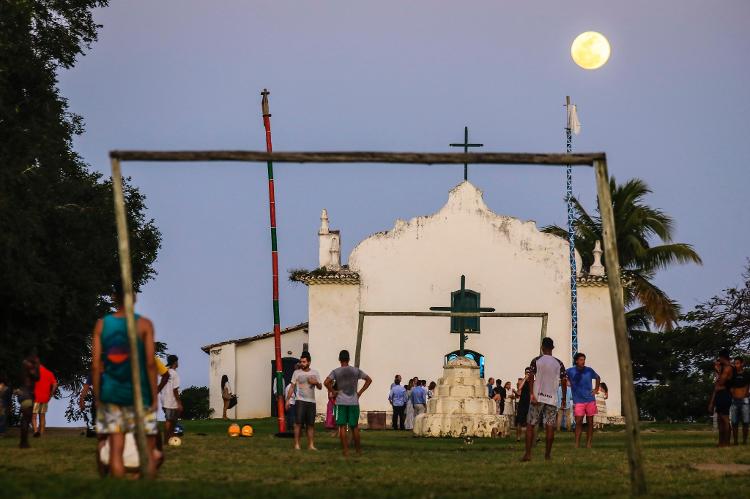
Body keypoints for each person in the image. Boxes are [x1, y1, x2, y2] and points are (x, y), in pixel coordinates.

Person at [92, 281, 160, 477]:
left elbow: (96, 365)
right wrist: (154, 397)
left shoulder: (102, 325)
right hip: (140, 395)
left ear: (114, 297)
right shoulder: (144, 325)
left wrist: (98, 396)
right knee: (147, 451)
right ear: (135, 298)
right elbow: (150, 364)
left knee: (115, 449)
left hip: (112, 394)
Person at [521, 337, 567, 462]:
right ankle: (547, 455)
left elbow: (531, 377)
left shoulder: (536, 360)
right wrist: (563, 397)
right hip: (552, 398)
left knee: (531, 425)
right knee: (550, 426)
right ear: (552, 348)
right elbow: (564, 380)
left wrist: (531, 394)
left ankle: (528, 454)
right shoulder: (559, 363)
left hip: (537, 397)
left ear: (542, 347)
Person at [324, 349, 372, 456]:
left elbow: (326, 382)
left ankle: (345, 451)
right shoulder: (355, 371)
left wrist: (333, 391)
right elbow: (369, 380)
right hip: (353, 402)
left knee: (341, 427)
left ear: (339, 359)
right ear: (349, 359)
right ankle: (358, 450)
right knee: (354, 427)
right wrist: (360, 393)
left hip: (340, 402)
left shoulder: (336, 371)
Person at [287, 351, 321, 450]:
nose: (302, 364)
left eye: (304, 362)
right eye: (301, 362)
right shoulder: (296, 373)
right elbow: (292, 387)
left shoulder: (315, 373)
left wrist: (315, 382)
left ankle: (311, 445)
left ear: (309, 362)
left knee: (310, 425)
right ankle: (297, 445)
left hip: (311, 402)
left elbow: (320, 387)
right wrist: (287, 400)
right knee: (298, 423)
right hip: (300, 401)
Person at [566, 352, 600, 447]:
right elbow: (562, 375)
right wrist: (567, 382)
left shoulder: (589, 370)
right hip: (578, 401)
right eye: (581, 360)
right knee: (578, 422)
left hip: (590, 400)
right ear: (576, 361)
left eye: (584, 359)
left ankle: (588, 443)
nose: (583, 361)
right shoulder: (570, 371)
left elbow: (598, 377)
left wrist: (596, 389)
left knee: (590, 422)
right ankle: (576, 443)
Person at [708, 349, 734, 447]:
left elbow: (721, 382)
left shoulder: (728, 368)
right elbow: (716, 385)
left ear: (723, 358)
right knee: (719, 419)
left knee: (725, 419)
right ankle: (721, 442)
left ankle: (726, 442)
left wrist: (718, 371)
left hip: (725, 394)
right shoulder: (723, 368)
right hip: (720, 394)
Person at [15, 351, 40, 449]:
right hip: (27, 395)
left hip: (22, 394)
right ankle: (23, 443)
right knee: (26, 418)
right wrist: (36, 365)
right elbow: (37, 378)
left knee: (25, 418)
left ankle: (23, 442)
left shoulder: (23, 369)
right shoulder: (30, 369)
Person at [32, 362, 58, 437]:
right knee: (42, 416)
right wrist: (51, 394)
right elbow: (55, 384)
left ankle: (35, 431)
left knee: (34, 416)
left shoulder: (34, 373)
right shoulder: (49, 373)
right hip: (45, 398)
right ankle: (41, 433)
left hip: (35, 397)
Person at [161, 355, 182, 444]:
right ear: (175, 362)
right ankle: (166, 440)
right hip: (171, 400)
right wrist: (179, 403)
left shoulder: (165, 372)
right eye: (177, 361)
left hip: (164, 399)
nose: (178, 363)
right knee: (170, 420)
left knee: (171, 420)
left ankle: (170, 437)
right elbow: (175, 390)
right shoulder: (174, 374)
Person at [729, 356, 749, 445]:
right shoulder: (732, 375)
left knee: (745, 422)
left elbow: (748, 386)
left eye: (737, 363)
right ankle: (736, 442)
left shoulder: (747, 374)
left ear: (742, 363)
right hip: (734, 401)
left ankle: (744, 441)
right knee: (734, 422)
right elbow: (730, 386)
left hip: (745, 401)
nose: (736, 365)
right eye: (734, 363)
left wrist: (746, 394)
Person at [515, 371, 531, 441]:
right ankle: (518, 437)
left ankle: (531, 437)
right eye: (527, 373)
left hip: (529, 403)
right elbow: (519, 388)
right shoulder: (522, 381)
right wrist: (525, 379)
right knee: (519, 421)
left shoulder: (532, 382)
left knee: (530, 421)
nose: (528, 374)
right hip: (522, 403)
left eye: (529, 373)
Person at [0, 372, 10, 438]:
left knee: (2, 419)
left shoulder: (6, 388)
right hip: (4, 405)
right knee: (2, 419)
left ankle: (2, 433)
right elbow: (8, 398)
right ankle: (2, 433)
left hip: (3, 404)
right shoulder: (7, 388)